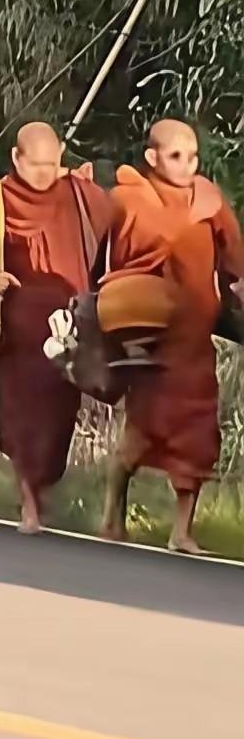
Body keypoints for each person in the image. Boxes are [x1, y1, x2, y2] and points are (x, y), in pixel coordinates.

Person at [0, 122, 111, 533]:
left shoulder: (81, 198)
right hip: (17, 337)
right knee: (19, 419)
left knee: (59, 422)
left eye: (53, 164)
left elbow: (121, 236)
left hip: (68, 335)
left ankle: (41, 488)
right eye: (36, 164)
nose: (46, 173)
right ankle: (28, 502)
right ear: (16, 159)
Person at [100, 119, 244, 554]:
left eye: (193, 156)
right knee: (141, 432)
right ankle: (111, 514)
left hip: (195, 337)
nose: (187, 165)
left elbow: (235, 257)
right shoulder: (130, 198)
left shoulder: (209, 201)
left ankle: (181, 531)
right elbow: (110, 256)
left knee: (198, 433)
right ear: (152, 158)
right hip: (150, 336)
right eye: (176, 156)